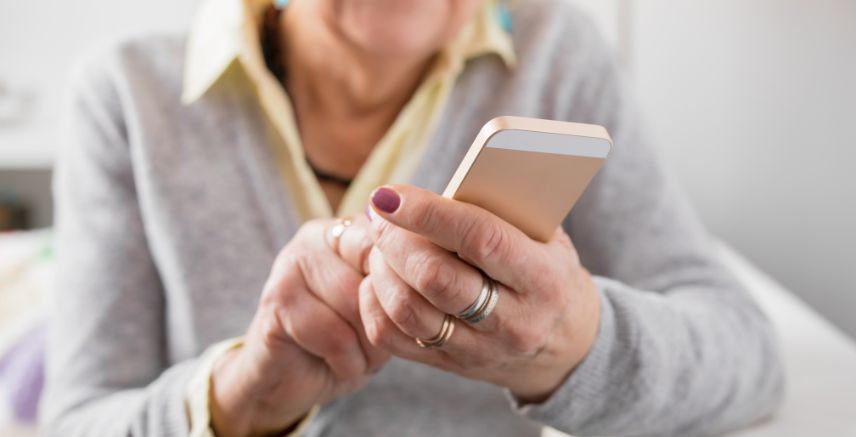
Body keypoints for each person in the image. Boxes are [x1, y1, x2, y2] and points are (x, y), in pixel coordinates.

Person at [41, 0, 784, 435]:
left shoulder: (556, 53)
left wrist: (575, 343)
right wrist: (243, 396)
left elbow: (747, 355)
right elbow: (73, 419)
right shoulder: (128, 94)